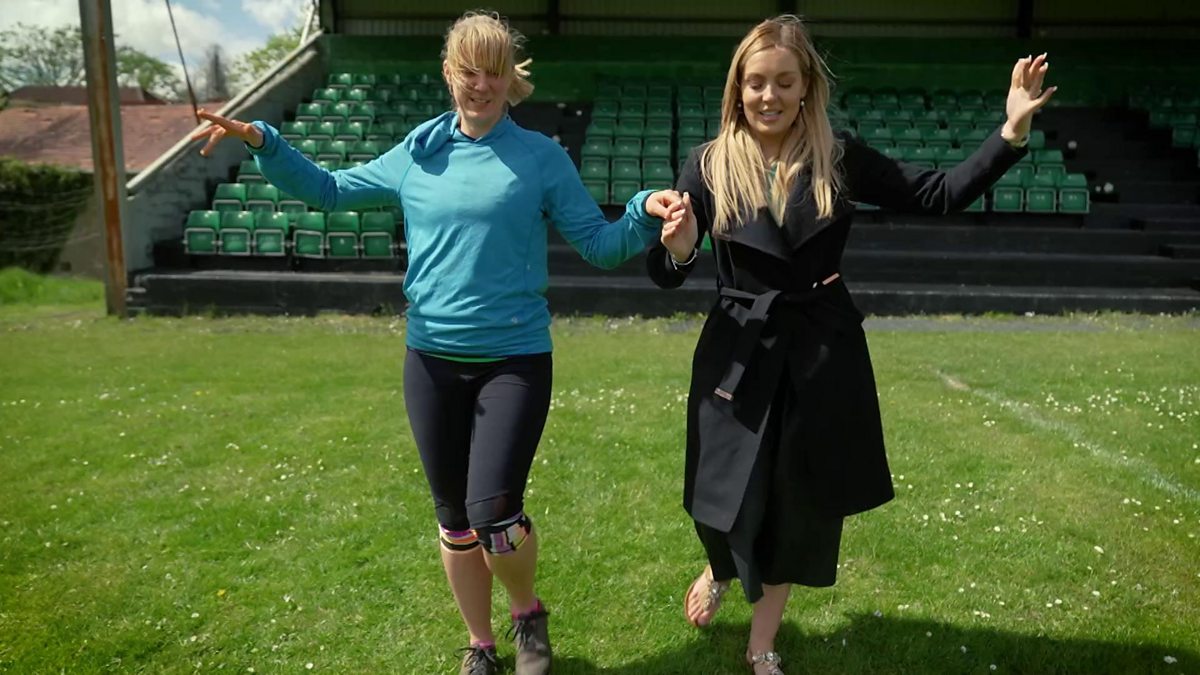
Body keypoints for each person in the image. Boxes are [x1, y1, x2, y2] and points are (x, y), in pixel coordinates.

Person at [190, 11, 683, 675]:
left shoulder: (541, 157)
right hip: (429, 361)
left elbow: (598, 244)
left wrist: (643, 209)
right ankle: (481, 644)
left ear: (511, 79)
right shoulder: (417, 152)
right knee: (455, 519)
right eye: (469, 71)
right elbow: (329, 191)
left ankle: (527, 614)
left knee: (495, 514)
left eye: (494, 72)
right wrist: (262, 140)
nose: (481, 84)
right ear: (450, 74)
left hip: (514, 360)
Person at [647, 15, 1054, 675]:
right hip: (738, 349)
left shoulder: (839, 158)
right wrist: (681, 247)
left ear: (807, 87)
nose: (770, 96)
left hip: (817, 350)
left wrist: (1010, 132)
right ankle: (720, 565)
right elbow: (669, 269)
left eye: (784, 82)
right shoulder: (708, 163)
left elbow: (938, 193)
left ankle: (762, 643)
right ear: (738, 89)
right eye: (756, 82)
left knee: (792, 501)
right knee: (717, 491)